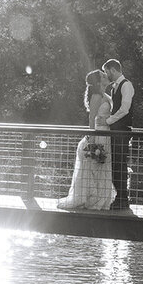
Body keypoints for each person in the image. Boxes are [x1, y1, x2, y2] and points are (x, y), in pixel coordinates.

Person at [56, 70, 117, 211]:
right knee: (94, 167)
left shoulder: (105, 95)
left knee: (102, 168)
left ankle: (101, 199)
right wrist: (92, 138)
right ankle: (91, 199)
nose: (105, 76)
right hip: (98, 133)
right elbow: (92, 118)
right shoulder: (96, 96)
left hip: (106, 134)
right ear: (97, 81)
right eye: (102, 75)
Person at [103, 58, 134, 210]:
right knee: (116, 164)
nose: (106, 74)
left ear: (113, 70)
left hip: (122, 130)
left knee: (120, 164)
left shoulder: (126, 85)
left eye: (107, 71)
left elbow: (124, 109)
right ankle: (120, 197)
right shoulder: (115, 87)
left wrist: (108, 121)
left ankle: (123, 198)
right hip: (116, 131)